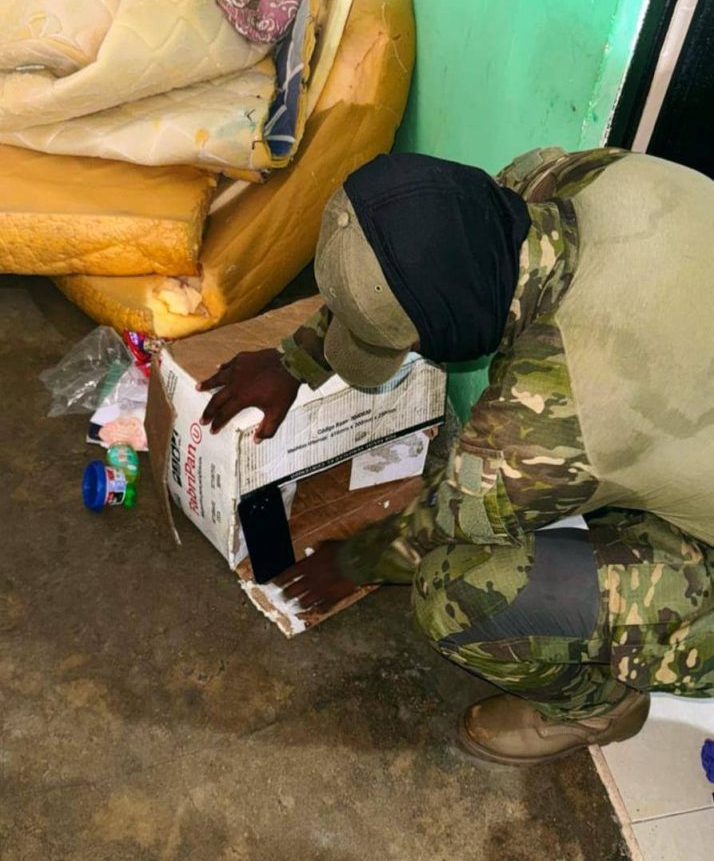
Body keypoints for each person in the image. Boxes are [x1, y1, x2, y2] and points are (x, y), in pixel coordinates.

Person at [199, 147, 714, 766]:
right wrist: (295, 359)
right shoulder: (563, 178)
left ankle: (597, 708)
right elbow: (413, 254)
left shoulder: (553, 413)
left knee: (453, 593)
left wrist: (353, 558)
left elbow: (438, 524)